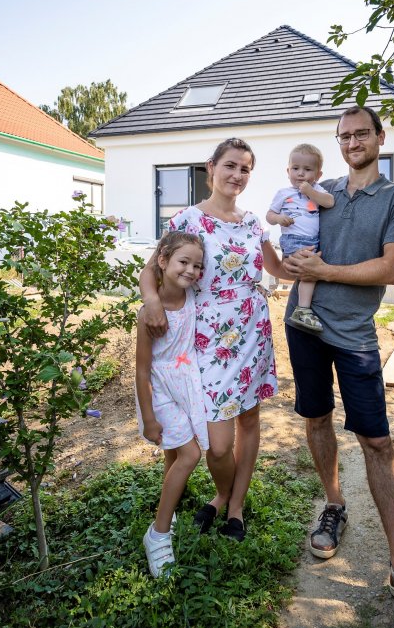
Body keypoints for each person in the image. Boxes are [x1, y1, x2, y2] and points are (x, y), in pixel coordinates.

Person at [283, 106, 394, 627]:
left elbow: (392, 266)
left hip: (354, 335)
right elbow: (283, 227)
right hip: (302, 324)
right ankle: (334, 505)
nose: (353, 141)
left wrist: (325, 269)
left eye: (362, 133)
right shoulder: (322, 187)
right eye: (344, 135)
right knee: (315, 419)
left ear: (380, 137)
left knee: (377, 441)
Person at [140, 137, 284, 543]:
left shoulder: (254, 222)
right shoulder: (187, 220)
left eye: (245, 169)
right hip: (206, 339)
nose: (238, 175)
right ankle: (222, 491)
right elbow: (152, 270)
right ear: (211, 168)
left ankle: (234, 505)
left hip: (253, 331)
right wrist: (152, 302)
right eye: (231, 166)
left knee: (250, 418)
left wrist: (315, 258)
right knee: (218, 444)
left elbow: (276, 267)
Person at [136, 231, 208, 578]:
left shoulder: (191, 295)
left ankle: (169, 508)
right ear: (162, 261)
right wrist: (149, 419)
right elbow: (141, 370)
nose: (192, 270)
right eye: (184, 262)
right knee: (190, 454)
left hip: (185, 385)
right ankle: (158, 533)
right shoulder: (149, 313)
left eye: (197, 265)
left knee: (174, 454)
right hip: (160, 390)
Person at [266, 143, 334, 333]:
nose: (301, 174)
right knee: (308, 273)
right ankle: (303, 309)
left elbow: (330, 202)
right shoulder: (283, 193)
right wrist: (279, 218)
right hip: (293, 239)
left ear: (318, 175)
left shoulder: (318, 190)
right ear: (288, 171)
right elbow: (270, 215)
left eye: (307, 169)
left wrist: (310, 192)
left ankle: (303, 309)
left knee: (309, 273)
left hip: (313, 240)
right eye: (295, 169)